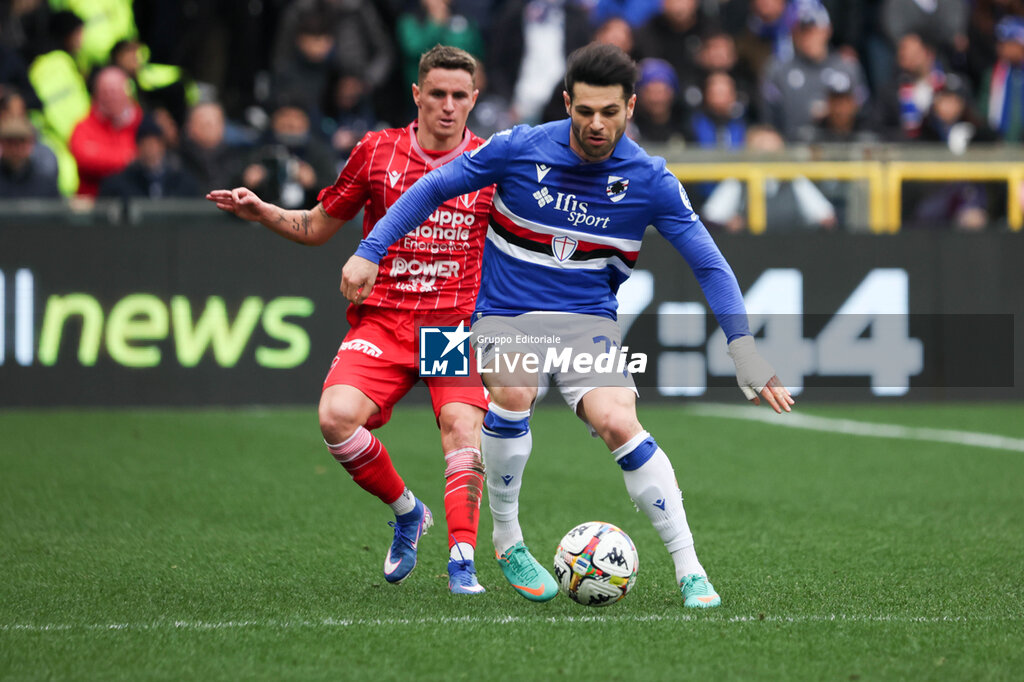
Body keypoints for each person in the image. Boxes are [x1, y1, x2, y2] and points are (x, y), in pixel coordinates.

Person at [340, 43, 794, 608]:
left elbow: (708, 262)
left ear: (631, 106)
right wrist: (371, 249)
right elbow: (432, 187)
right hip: (506, 314)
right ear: (566, 103)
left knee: (618, 420)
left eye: (609, 111)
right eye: (584, 112)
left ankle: (690, 567)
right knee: (513, 384)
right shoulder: (519, 148)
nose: (596, 124)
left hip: (586, 324)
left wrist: (742, 348)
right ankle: (507, 541)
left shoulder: (650, 180)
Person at [206, 45, 495, 595]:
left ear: (474, 100)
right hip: (384, 321)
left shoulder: (489, 162)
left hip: (451, 326)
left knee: (463, 430)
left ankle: (463, 562)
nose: (448, 106)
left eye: (460, 96)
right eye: (437, 94)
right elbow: (318, 225)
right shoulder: (377, 151)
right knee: (336, 417)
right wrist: (263, 210)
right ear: (416, 95)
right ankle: (408, 512)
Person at [68, 65, 143, 197]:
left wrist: (101, 154)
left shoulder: (142, 122)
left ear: (127, 92)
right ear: (96, 94)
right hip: (94, 200)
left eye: (114, 91)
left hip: (134, 199)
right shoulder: (83, 127)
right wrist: (128, 158)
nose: (110, 97)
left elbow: (150, 159)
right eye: (105, 92)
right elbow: (85, 160)